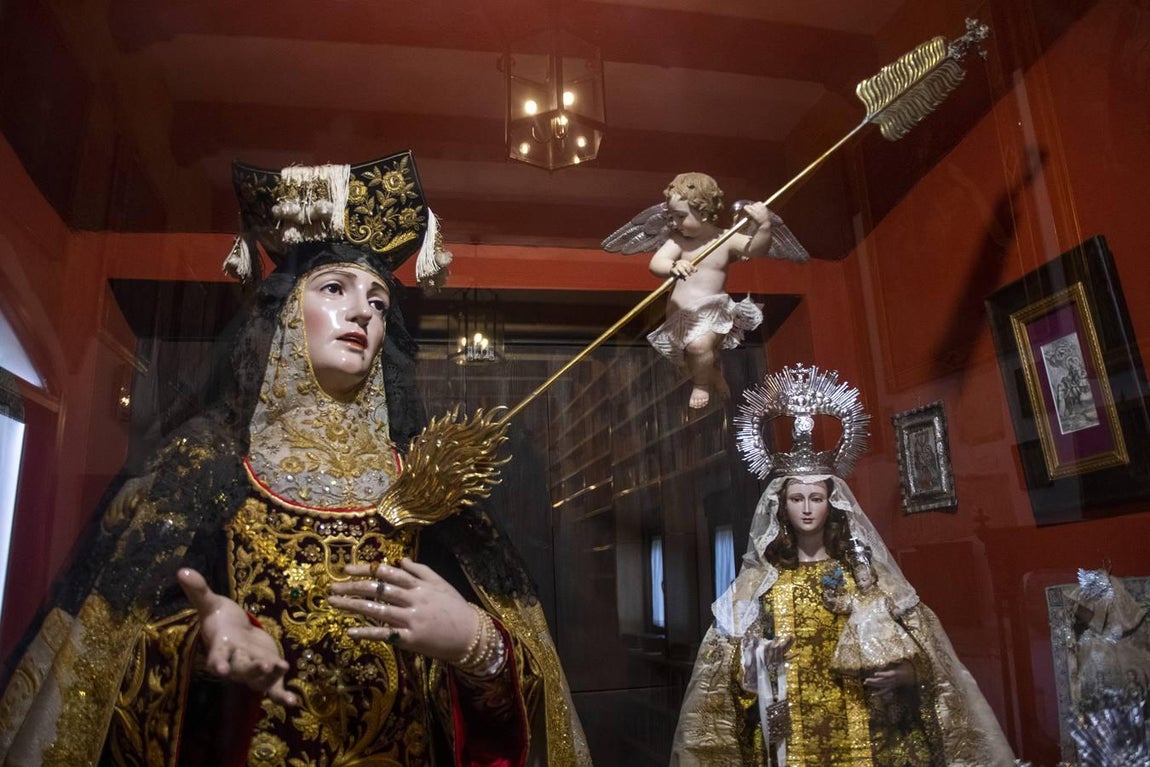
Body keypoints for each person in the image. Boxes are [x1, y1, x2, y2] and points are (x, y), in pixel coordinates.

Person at [0, 152, 589, 767]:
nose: (363, 311)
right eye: (335, 288)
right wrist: (200, 643)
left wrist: (475, 643)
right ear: (283, 316)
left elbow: (515, 691)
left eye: (380, 302)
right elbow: (98, 671)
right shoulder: (208, 468)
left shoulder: (425, 483)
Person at [671, 364, 1015, 766]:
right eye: (796, 499)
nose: (806, 509)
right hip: (791, 741)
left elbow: (929, 655)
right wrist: (760, 663)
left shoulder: (868, 577)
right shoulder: (760, 584)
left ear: (832, 503)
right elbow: (722, 679)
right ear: (781, 506)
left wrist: (909, 672)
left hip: (868, 735)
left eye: (815, 498)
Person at [602, 172, 809, 410]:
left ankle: (701, 385)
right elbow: (656, 264)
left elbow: (756, 250)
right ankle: (712, 374)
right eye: (670, 217)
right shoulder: (678, 241)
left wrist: (762, 226)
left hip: (712, 312)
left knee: (699, 347)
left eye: (680, 216)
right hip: (680, 317)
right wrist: (672, 266)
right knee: (690, 360)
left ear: (703, 211)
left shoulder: (726, 239)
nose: (673, 223)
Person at [826, 548, 922, 683]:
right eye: (858, 580)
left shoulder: (881, 596)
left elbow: (891, 609)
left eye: (864, 579)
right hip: (859, 632)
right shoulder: (855, 597)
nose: (860, 583)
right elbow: (845, 603)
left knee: (885, 654)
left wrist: (899, 610)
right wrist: (832, 601)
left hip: (880, 630)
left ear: (872, 578)